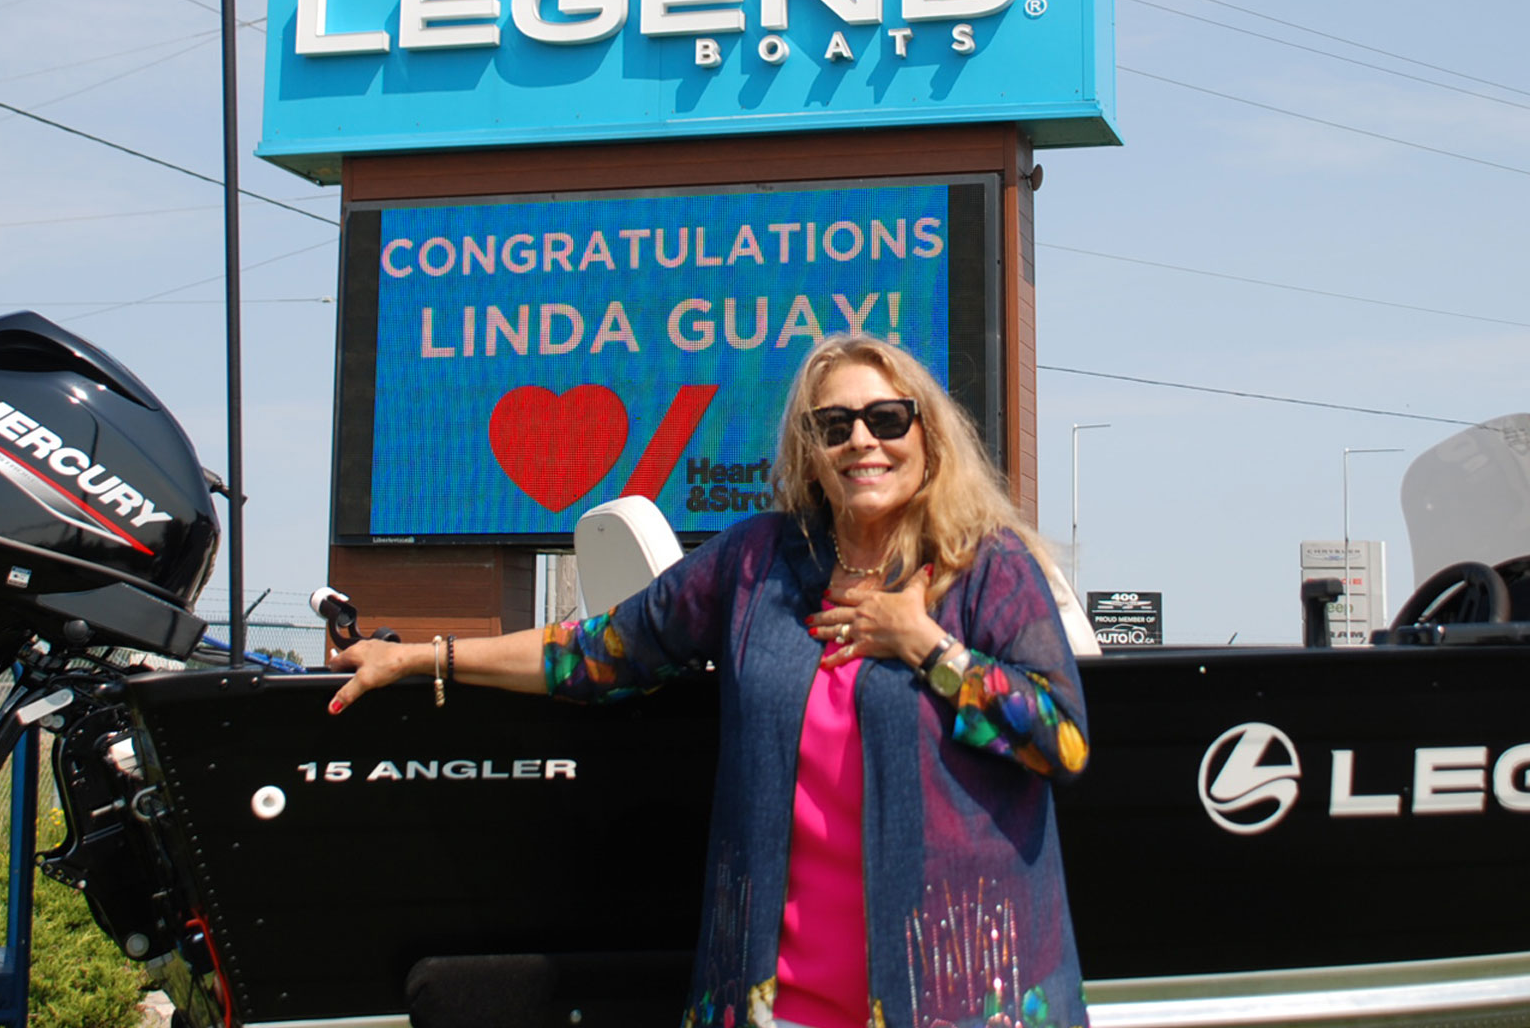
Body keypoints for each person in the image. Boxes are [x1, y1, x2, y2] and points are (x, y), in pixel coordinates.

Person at [327, 334, 1091, 1028]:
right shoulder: (756, 563)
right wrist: (424, 657)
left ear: (927, 434)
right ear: (810, 452)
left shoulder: (986, 567)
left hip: (960, 1003)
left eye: (888, 418)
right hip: (772, 1004)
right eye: (834, 425)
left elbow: (1061, 742)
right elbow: (596, 652)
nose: (863, 440)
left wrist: (925, 644)